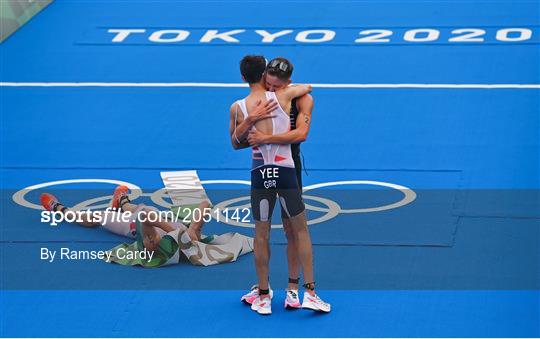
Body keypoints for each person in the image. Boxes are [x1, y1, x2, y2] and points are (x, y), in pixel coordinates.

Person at [229, 55, 330, 315]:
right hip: (282, 168)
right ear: (263, 76)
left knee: (286, 230)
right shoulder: (282, 97)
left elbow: (301, 134)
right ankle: (286, 291)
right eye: (269, 84)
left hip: (282, 165)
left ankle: (290, 290)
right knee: (293, 230)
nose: (272, 90)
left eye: (276, 86)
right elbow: (238, 143)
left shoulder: (242, 105)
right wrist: (254, 123)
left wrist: (260, 132)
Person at [39, 185, 253, 267]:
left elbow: (149, 217)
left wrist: (179, 232)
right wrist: (189, 230)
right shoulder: (191, 236)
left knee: (98, 217)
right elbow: (205, 204)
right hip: (154, 216)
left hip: (132, 224)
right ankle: (119, 201)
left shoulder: (152, 245)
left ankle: (60, 209)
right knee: (132, 208)